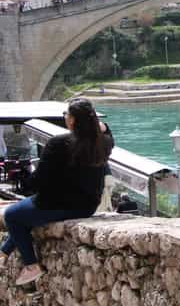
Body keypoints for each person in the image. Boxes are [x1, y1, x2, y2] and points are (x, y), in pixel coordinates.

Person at [0, 98, 114, 286]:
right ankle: (3, 253)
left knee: (13, 215)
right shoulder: (105, 142)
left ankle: (31, 266)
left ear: (72, 120)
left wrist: (24, 181)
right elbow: (106, 132)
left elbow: (39, 180)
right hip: (87, 206)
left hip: (56, 204)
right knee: (25, 216)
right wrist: (103, 126)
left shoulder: (59, 143)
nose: (65, 117)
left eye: (66, 114)